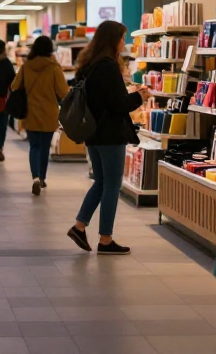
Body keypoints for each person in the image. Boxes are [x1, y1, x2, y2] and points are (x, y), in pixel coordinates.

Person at [66, 21, 150, 255]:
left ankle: (79, 226)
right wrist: (139, 97)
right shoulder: (109, 66)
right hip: (110, 133)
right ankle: (105, 239)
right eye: (122, 38)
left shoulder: (88, 64)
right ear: (113, 40)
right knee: (112, 184)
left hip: (92, 132)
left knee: (101, 181)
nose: (124, 43)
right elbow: (117, 104)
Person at [11, 36, 69, 195]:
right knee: (44, 147)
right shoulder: (54, 68)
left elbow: (15, 85)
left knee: (34, 146)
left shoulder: (26, 66)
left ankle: (35, 177)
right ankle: (42, 177)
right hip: (49, 112)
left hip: (31, 111)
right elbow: (63, 92)